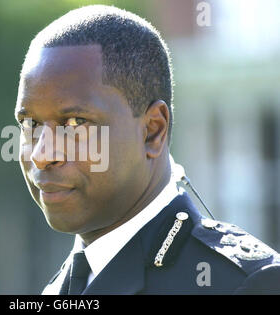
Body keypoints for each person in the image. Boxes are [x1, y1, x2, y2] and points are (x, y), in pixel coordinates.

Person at [14, 5, 280, 294]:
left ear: (153, 130)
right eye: (30, 123)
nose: (42, 154)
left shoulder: (245, 285)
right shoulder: (56, 291)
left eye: (76, 123)